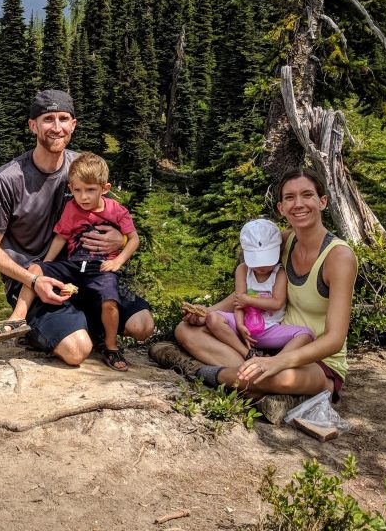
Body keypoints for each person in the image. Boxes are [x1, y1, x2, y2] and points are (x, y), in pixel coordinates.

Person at [150, 168, 357, 424]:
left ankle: (202, 371)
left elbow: (335, 339)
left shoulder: (338, 258)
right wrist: (206, 313)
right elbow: (245, 293)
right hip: (269, 340)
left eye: (307, 195)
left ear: (322, 201)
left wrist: (279, 363)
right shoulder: (282, 242)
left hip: (316, 360)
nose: (299, 204)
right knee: (185, 330)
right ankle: (254, 380)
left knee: (261, 377)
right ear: (281, 207)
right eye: (290, 197)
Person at [0, 89, 155, 368]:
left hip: (82, 269)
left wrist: (119, 240)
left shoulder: (80, 167)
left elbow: (110, 214)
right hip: (31, 278)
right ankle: (41, 328)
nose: (57, 127)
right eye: (48, 119)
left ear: (73, 124)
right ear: (33, 125)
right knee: (77, 351)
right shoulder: (8, 178)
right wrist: (33, 280)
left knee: (142, 325)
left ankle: (80, 321)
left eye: (64, 118)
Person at [0, 152, 140, 372]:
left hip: (101, 267)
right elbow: (61, 236)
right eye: (77, 190)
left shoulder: (117, 210)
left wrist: (119, 259)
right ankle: (17, 318)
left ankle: (110, 346)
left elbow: (134, 238)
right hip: (74, 265)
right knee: (36, 268)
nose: (83, 197)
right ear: (71, 188)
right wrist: (47, 265)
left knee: (110, 302)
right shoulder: (72, 208)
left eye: (90, 190)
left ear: (105, 188)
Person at [204, 218, 314, 361]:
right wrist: (239, 324)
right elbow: (239, 303)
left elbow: (277, 303)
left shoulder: (279, 273)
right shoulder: (243, 270)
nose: (262, 267)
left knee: (305, 334)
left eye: (267, 260)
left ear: (278, 251)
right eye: (256, 261)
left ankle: (274, 362)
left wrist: (249, 300)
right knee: (213, 318)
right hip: (243, 327)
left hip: (269, 329)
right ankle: (247, 354)